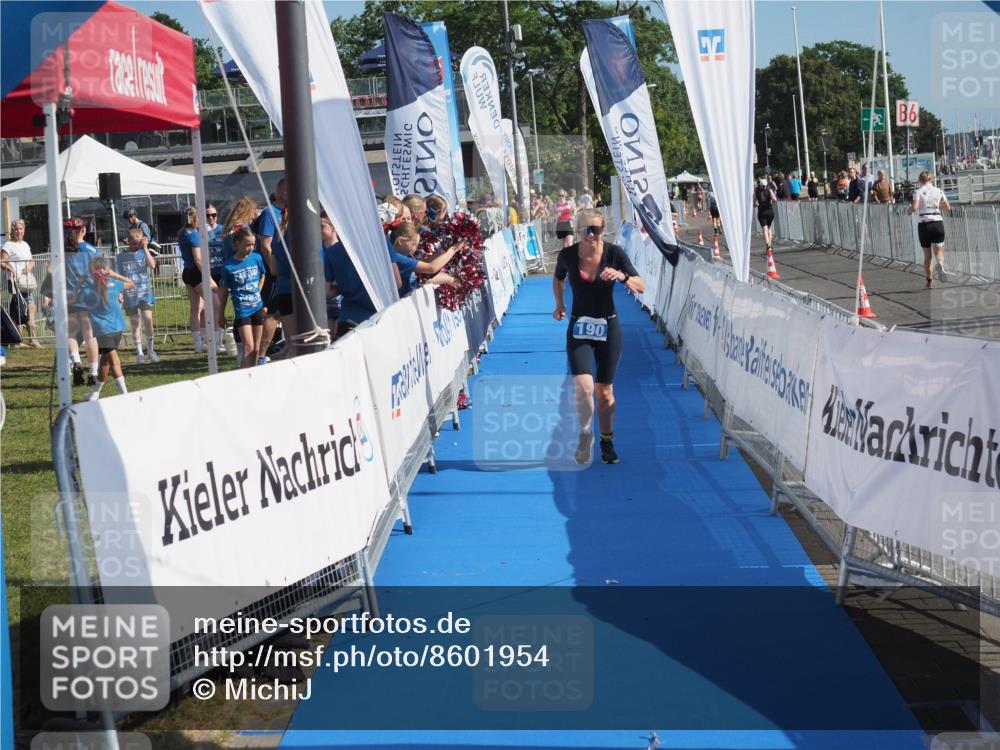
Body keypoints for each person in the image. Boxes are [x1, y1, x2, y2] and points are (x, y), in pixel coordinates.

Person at [552, 209, 645, 465]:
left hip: (609, 328)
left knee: (604, 393)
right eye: (585, 230)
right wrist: (559, 304)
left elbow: (641, 285)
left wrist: (622, 276)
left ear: (603, 231)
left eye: (596, 229)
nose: (591, 234)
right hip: (579, 327)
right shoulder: (568, 255)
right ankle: (585, 435)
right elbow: (557, 279)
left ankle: (606, 439)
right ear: (578, 231)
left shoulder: (614, 254)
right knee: (583, 387)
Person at [71, 257, 134, 401]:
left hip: (103, 330)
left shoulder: (87, 290)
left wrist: (79, 283)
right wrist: (114, 275)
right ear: (107, 271)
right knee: (105, 362)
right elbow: (131, 283)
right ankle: (95, 392)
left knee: (113, 362)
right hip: (118, 328)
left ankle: (125, 395)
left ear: (92, 272)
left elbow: (72, 297)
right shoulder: (115, 284)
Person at [219, 224, 268, 368]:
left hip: (257, 307)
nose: (251, 248)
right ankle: (243, 378)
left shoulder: (257, 258)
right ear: (237, 243)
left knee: (257, 350)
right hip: (242, 310)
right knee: (248, 348)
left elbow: (263, 274)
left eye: (253, 244)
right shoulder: (228, 266)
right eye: (247, 245)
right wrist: (220, 315)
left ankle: (253, 376)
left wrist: (258, 289)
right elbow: (223, 292)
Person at [177, 206, 222, 354]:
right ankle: (214, 341)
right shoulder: (194, 234)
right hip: (196, 273)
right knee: (215, 304)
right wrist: (209, 279)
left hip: (188, 272)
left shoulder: (183, 232)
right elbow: (198, 259)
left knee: (197, 308)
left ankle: (200, 342)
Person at [62, 218, 100, 385]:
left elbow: (52, 271)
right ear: (83, 230)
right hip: (88, 296)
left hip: (70, 296)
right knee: (89, 335)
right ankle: (92, 373)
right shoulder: (91, 250)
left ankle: (76, 362)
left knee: (70, 334)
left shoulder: (63, 251)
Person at [254, 178, 288, 361]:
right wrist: (273, 266)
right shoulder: (269, 213)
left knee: (284, 311)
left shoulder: (287, 212)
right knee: (273, 312)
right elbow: (265, 243)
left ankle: (288, 347)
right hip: (274, 272)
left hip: (285, 271)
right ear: (283, 192)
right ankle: (260, 354)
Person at [115, 228, 159, 364]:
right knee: (135, 324)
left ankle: (151, 350)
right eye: (133, 243)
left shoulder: (144, 252)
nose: (136, 246)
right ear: (128, 241)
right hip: (130, 295)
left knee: (148, 319)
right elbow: (118, 277)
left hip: (144, 292)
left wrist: (145, 248)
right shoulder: (121, 257)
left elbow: (152, 266)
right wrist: (119, 292)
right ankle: (139, 353)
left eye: (138, 243)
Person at [390, 221, 464, 296]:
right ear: (401, 241)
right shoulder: (398, 257)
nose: (414, 249)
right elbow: (431, 267)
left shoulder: (400, 255)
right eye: (413, 244)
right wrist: (454, 249)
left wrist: (444, 251)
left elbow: (424, 263)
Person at [908, 170, 951, 287]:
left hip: (924, 224)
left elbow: (915, 207)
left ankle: (929, 280)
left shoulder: (918, 191)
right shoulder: (939, 191)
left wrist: (909, 210)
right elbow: (947, 207)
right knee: (939, 251)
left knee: (927, 256)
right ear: (931, 180)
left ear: (920, 180)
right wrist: (937, 205)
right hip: (937, 222)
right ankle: (940, 265)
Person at [2, 219, 41, 347]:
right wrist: (11, 269)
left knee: (27, 309)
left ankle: (28, 339)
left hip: (27, 282)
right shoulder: (8, 245)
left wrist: (30, 266)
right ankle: (23, 340)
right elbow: (2, 261)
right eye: (16, 229)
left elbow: (31, 259)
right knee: (24, 309)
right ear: (12, 230)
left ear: (24, 230)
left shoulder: (25, 244)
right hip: (15, 282)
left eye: (21, 229)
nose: (19, 231)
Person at [205, 202, 236, 355]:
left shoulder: (223, 230)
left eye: (213, 215)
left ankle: (220, 338)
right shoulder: (201, 231)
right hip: (209, 273)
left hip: (223, 272)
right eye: (207, 215)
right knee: (214, 307)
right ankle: (213, 340)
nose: (211, 218)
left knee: (221, 307)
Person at [321, 215, 341, 336]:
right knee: (327, 337)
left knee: (338, 336)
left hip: (340, 302)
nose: (317, 229)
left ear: (333, 227)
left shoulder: (342, 250)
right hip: (324, 304)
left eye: (322, 226)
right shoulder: (317, 249)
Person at [754, 178, 778, 251]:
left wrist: (757, 205)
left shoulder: (756, 191)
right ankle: (770, 245)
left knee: (764, 228)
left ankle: (767, 244)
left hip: (762, 211)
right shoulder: (769, 190)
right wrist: (771, 202)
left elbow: (753, 203)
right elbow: (775, 199)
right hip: (769, 210)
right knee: (769, 228)